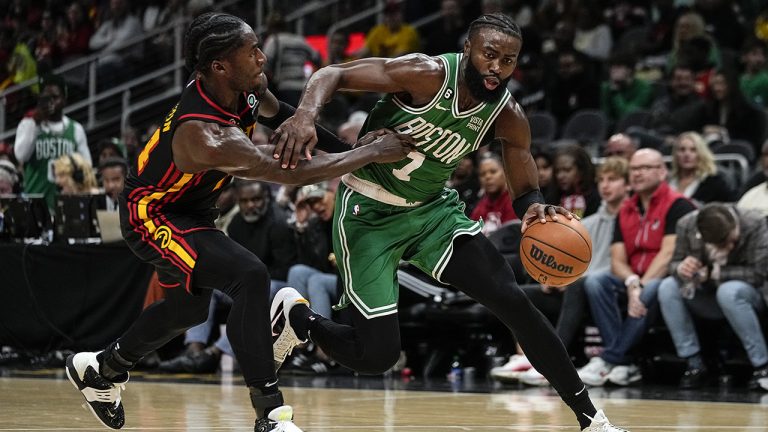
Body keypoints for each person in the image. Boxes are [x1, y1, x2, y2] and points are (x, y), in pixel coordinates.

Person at [269, 13, 626, 432]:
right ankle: (299, 320)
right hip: (369, 214)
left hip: (432, 212)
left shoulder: (506, 113)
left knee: (514, 302)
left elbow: (520, 159)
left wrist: (532, 203)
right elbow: (333, 73)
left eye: (508, 60)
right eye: (489, 55)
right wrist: (306, 114)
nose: (497, 67)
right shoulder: (425, 73)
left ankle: (592, 420)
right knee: (377, 356)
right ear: (468, 51)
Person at [63, 12, 413, 432]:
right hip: (151, 213)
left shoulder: (246, 87)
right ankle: (270, 414)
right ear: (219, 66)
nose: (263, 58)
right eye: (252, 51)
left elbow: (279, 115)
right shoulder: (204, 135)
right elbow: (288, 171)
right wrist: (370, 155)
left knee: (189, 310)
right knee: (248, 275)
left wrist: (349, 146)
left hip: (192, 210)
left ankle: (102, 369)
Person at [578, 149, 696, 387]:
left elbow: (667, 254)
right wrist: (632, 282)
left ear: (662, 171)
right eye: (634, 169)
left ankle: (610, 358)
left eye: (645, 168)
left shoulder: (678, 205)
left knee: (653, 289)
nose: (638, 173)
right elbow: (617, 259)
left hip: (669, 278)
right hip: (634, 279)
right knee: (595, 282)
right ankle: (624, 363)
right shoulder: (626, 209)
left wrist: (639, 287)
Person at [658, 203, 768, 390]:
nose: (730, 246)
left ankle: (762, 366)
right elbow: (673, 265)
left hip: (747, 296)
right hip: (707, 294)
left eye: (731, 240)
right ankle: (694, 363)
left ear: (735, 225)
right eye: (723, 244)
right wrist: (682, 268)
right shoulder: (686, 224)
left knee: (729, 291)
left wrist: (715, 273)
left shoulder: (756, 222)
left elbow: (761, 272)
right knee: (667, 287)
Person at [13, 74, 90, 209]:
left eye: (55, 97)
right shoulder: (27, 124)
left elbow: (87, 167)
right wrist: (36, 123)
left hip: (67, 204)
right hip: (35, 204)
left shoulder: (76, 129)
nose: (50, 103)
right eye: (46, 98)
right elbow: (21, 156)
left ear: (64, 99)